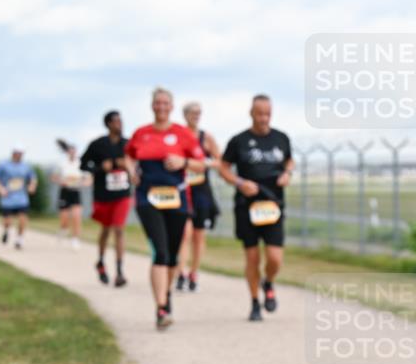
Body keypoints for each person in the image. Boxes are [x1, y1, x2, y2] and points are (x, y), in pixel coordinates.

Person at [125, 88, 206, 330]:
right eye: (157, 102)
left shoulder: (182, 134)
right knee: (159, 251)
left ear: (171, 107)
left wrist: (184, 162)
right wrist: (131, 172)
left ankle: (166, 293)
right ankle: (161, 307)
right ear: (152, 106)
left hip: (176, 199)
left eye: (165, 103)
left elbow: (202, 164)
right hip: (147, 198)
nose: (161, 107)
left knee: (172, 255)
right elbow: (128, 155)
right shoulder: (141, 133)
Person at [218, 94, 294, 321]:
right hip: (247, 206)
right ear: (251, 113)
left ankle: (268, 282)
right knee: (252, 258)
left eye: (267, 114)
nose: (264, 118)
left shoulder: (281, 138)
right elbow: (223, 167)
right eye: (260, 114)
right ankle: (254, 303)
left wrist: (287, 173)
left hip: (273, 205)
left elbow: (290, 160)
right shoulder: (238, 141)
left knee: (274, 258)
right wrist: (240, 183)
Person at [81, 110, 132, 286]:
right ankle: (101, 262)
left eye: (121, 120)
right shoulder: (97, 145)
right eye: (116, 121)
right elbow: (83, 164)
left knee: (118, 229)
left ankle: (119, 271)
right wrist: (100, 167)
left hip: (123, 194)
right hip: (103, 195)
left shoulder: (128, 144)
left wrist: (127, 166)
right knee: (106, 229)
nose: (120, 124)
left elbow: (137, 163)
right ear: (109, 124)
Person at [175, 101, 221, 292]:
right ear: (185, 115)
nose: (196, 116)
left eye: (198, 113)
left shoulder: (206, 137)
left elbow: (219, 161)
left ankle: (194, 273)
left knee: (198, 235)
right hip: (183, 189)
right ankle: (180, 273)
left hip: (201, 191)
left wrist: (202, 163)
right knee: (184, 234)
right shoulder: (178, 135)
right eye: (192, 113)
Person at [0, 148, 38, 250]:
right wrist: (0, 189)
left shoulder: (26, 166)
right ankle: (6, 231)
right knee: (8, 221)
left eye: (21, 154)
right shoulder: (3, 165)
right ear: (13, 154)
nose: (19, 155)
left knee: (22, 219)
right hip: (8, 198)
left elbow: (33, 178)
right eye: (18, 153)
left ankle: (19, 240)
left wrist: (32, 186)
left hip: (21, 198)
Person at [52, 139, 91, 250]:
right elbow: (54, 177)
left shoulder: (80, 163)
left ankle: (75, 239)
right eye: (70, 151)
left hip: (76, 192)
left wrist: (84, 183)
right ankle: (63, 229)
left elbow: (88, 178)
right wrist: (61, 181)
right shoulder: (62, 164)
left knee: (76, 216)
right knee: (64, 219)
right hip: (65, 191)